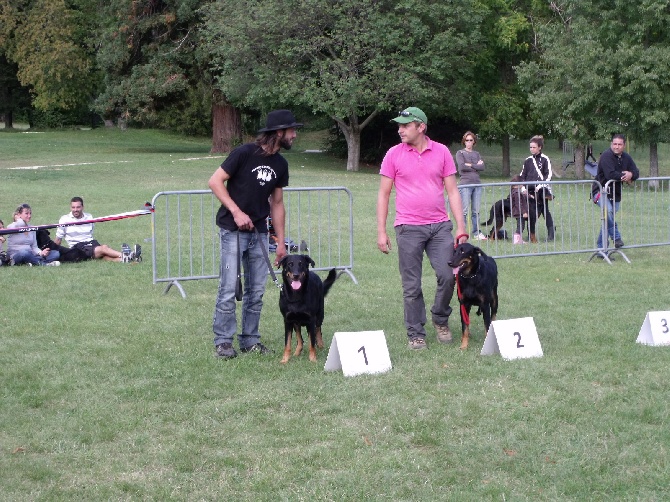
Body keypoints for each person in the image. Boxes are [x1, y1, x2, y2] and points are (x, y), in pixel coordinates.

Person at [208, 109, 301, 359]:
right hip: (232, 230)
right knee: (228, 288)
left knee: (256, 291)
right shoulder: (244, 153)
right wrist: (237, 212)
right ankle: (224, 342)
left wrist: (281, 242)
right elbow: (215, 181)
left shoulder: (281, 164)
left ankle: (250, 339)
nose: (295, 135)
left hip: (260, 233)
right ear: (278, 132)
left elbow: (277, 203)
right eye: (291, 130)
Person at [377, 106, 467, 350]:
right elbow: (384, 195)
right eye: (399, 126)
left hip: (440, 227)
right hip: (408, 228)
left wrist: (461, 226)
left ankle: (440, 318)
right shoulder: (393, 155)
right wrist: (382, 232)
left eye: (405, 126)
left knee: (448, 275)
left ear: (421, 127)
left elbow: (452, 191)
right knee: (411, 285)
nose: (400, 130)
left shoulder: (442, 152)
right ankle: (416, 334)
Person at [53, 197, 140, 263]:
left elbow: (90, 233)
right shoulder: (64, 219)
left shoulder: (89, 217)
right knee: (104, 248)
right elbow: (58, 240)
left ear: (82, 207)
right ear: (70, 207)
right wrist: (52, 254)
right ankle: (128, 255)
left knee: (104, 256)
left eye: (78, 207)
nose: (75, 210)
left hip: (90, 243)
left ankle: (125, 259)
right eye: (73, 207)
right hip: (78, 248)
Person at [592, 134, 639, 249]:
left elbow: (636, 171)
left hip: (615, 194)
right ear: (611, 144)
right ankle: (616, 238)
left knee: (607, 221)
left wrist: (631, 174)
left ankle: (600, 249)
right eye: (614, 144)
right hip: (600, 191)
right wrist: (626, 176)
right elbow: (610, 174)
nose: (616, 147)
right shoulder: (606, 156)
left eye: (619, 144)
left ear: (624, 145)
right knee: (608, 212)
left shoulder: (626, 157)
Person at [519, 135, 555, 243]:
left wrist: (540, 186)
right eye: (530, 147)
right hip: (529, 190)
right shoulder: (528, 160)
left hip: (541, 190)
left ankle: (551, 233)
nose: (532, 149)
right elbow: (522, 175)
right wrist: (522, 188)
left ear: (539, 147)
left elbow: (548, 175)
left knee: (545, 211)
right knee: (531, 212)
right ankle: (531, 234)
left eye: (534, 147)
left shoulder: (545, 159)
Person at [456, 131, 487, 240]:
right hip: (465, 184)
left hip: (477, 184)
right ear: (464, 141)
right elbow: (461, 167)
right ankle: (462, 232)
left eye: (471, 140)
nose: (469, 142)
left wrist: (469, 164)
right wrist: (475, 166)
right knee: (464, 210)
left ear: (474, 142)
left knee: (476, 210)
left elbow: (482, 167)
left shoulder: (477, 154)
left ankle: (477, 232)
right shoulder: (460, 153)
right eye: (467, 140)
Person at [510, 175, 529, 244]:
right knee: (520, 225)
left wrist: (527, 195)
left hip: (518, 211)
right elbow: (518, 203)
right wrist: (524, 212)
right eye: (522, 182)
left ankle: (519, 239)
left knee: (521, 225)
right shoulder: (516, 193)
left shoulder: (516, 191)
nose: (523, 184)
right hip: (519, 212)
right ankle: (516, 240)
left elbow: (521, 198)